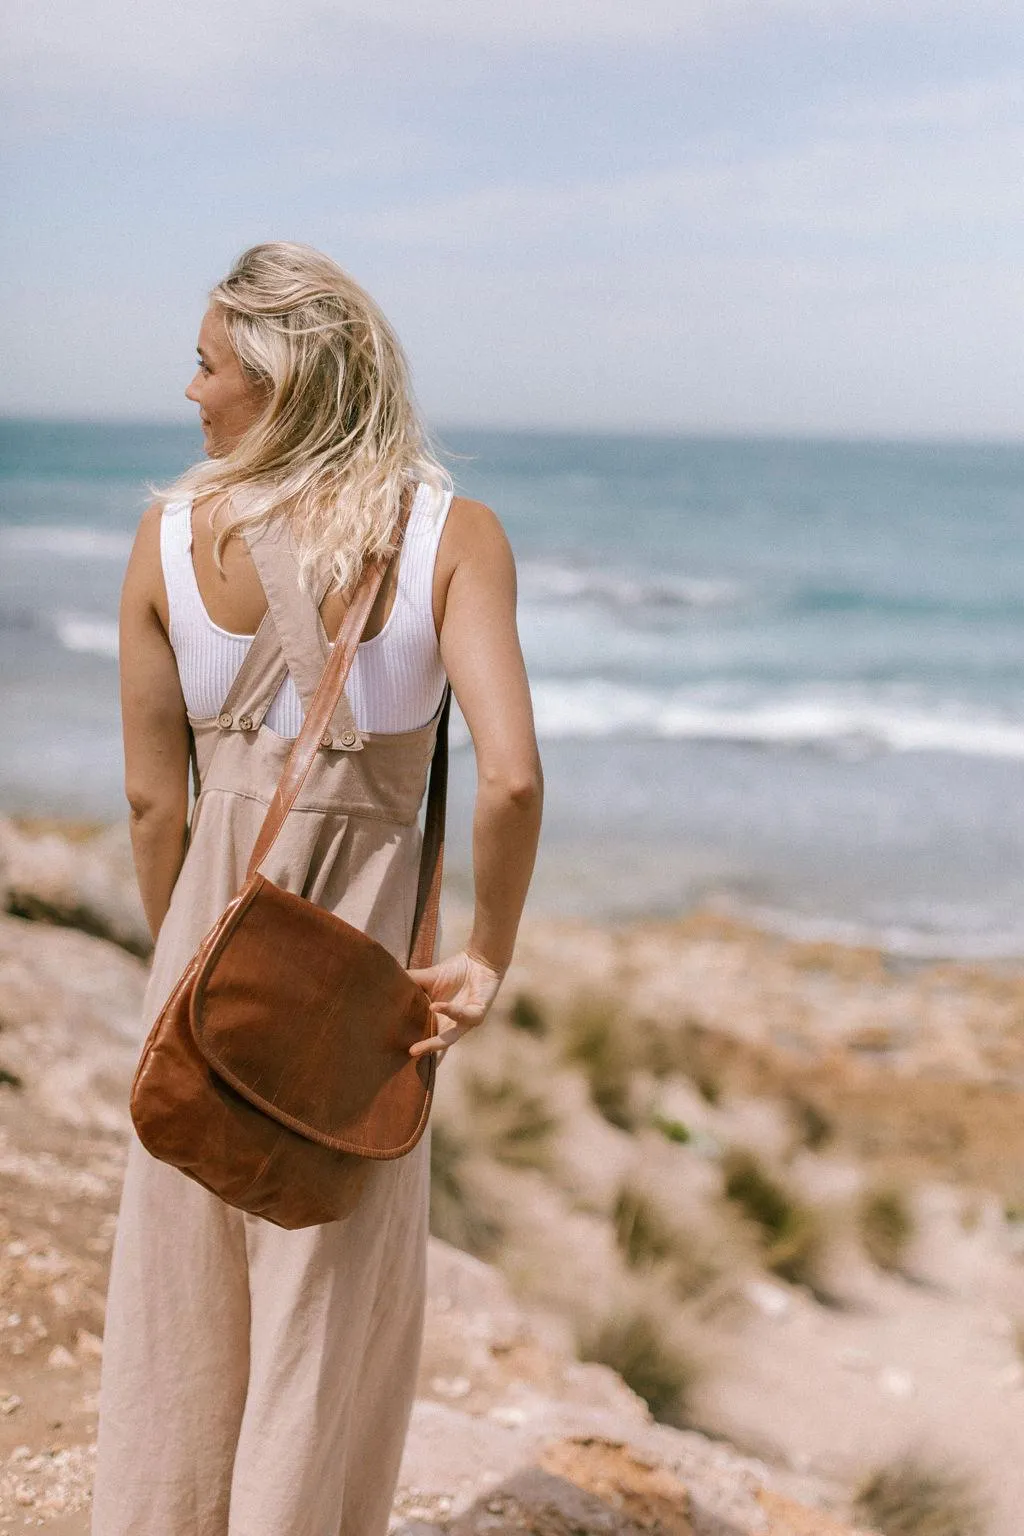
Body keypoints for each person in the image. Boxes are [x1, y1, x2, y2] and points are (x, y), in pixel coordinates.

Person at [92, 241, 543, 1534]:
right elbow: (511, 780)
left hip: (204, 957)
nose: (190, 392)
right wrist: (487, 956)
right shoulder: (454, 536)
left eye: (208, 364)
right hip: (362, 977)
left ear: (278, 383)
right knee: (326, 1307)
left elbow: (151, 802)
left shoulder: (168, 540)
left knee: (182, 1303)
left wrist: (192, 959)